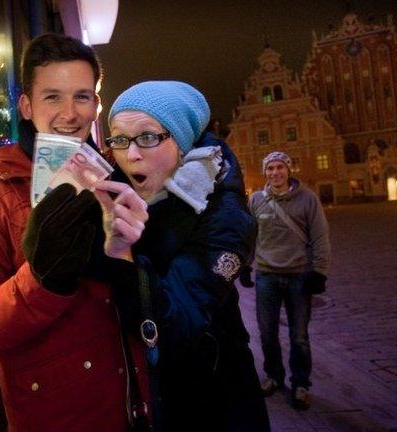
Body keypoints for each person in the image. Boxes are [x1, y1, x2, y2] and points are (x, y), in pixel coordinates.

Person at [0, 33, 149, 432]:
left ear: (96, 104)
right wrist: (41, 280)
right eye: (53, 97)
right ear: (26, 105)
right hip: (56, 415)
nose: (70, 114)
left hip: (130, 398)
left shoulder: (116, 174)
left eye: (82, 96)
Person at [95, 81, 270, 431]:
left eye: (147, 137)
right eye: (119, 139)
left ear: (183, 142)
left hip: (214, 403)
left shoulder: (225, 217)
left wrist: (120, 254)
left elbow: (174, 328)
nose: (130, 155)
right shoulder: (117, 192)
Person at [248, 151, 330, 410]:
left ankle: (301, 383)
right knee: (267, 333)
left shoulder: (307, 199)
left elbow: (320, 237)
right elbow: (250, 236)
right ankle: (273, 375)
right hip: (266, 275)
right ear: (265, 172)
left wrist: (320, 272)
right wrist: (244, 264)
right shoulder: (256, 200)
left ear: (288, 170)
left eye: (280, 167)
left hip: (299, 275)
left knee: (299, 336)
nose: (275, 173)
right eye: (270, 168)